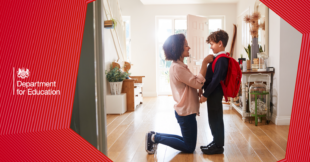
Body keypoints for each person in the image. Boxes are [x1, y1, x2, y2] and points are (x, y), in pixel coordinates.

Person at [145, 34, 214, 154]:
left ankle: (153, 135)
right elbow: (197, 83)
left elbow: (192, 83)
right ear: (178, 48)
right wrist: (204, 63)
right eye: (186, 45)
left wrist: (197, 87)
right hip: (186, 112)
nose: (189, 47)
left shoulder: (179, 66)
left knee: (187, 141)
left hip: (186, 111)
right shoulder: (177, 68)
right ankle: (154, 138)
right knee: (189, 147)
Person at [199, 29, 229, 155]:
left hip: (215, 94)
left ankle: (218, 146)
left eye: (212, 44)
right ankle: (216, 141)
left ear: (220, 43)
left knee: (216, 119)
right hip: (213, 93)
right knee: (213, 118)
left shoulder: (222, 59)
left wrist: (205, 95)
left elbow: (216, 79)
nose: (211, 47)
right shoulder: (217, 58)